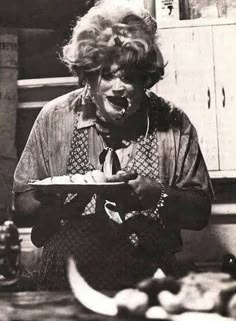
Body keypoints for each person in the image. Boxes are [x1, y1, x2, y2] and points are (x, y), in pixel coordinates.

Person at [13, 0, 214, 291]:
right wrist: (60, 199)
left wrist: (156, 196)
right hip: (65, 285)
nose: (119, 87)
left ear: (146, 79)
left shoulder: (173, 122)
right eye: (107, 75)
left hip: (149, 286)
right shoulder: (55, 117)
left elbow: (200, 213)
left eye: (130, 76)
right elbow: (22, 205)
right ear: (88, 75)